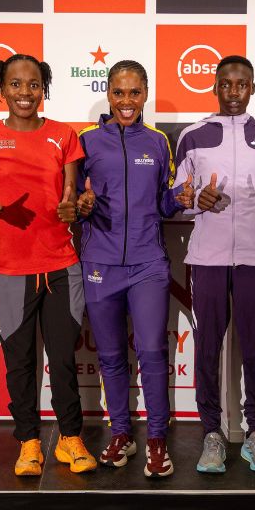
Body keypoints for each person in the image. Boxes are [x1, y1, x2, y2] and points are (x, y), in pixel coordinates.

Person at [0, 54, 97, 477]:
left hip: (61, 266)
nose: (25, 92)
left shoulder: (64, 135)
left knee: (62, 360)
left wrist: (72, 208)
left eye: (34, 84)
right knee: (20, 362)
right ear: (2, 89)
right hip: (12, 269)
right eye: (16, 84)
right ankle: (29, 442)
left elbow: (70, 194)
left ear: (44, 89)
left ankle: (70, 438)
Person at [75, 60, 190, 477]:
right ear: (108, 94)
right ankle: (120, 433)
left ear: (145, 94)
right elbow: (72, 201)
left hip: (148, 264)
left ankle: (157, 438)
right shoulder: (86, 142)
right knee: (109, 355)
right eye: (119, 92)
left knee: (152, 351)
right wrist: (82, 206)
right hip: (100, 263)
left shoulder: (158, 142)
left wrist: (179, 199)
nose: (127, 101)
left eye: (135, 92)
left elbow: (162, 203)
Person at [169, 55, 255, 474]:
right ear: (215, 87)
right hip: (208, 259)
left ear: (252, 88)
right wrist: (196, 200)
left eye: (242, 84)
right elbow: (180, 197)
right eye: (226, 84)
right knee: (208, 350)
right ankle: (212, 435)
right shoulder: (192, 136)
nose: (234, 92)